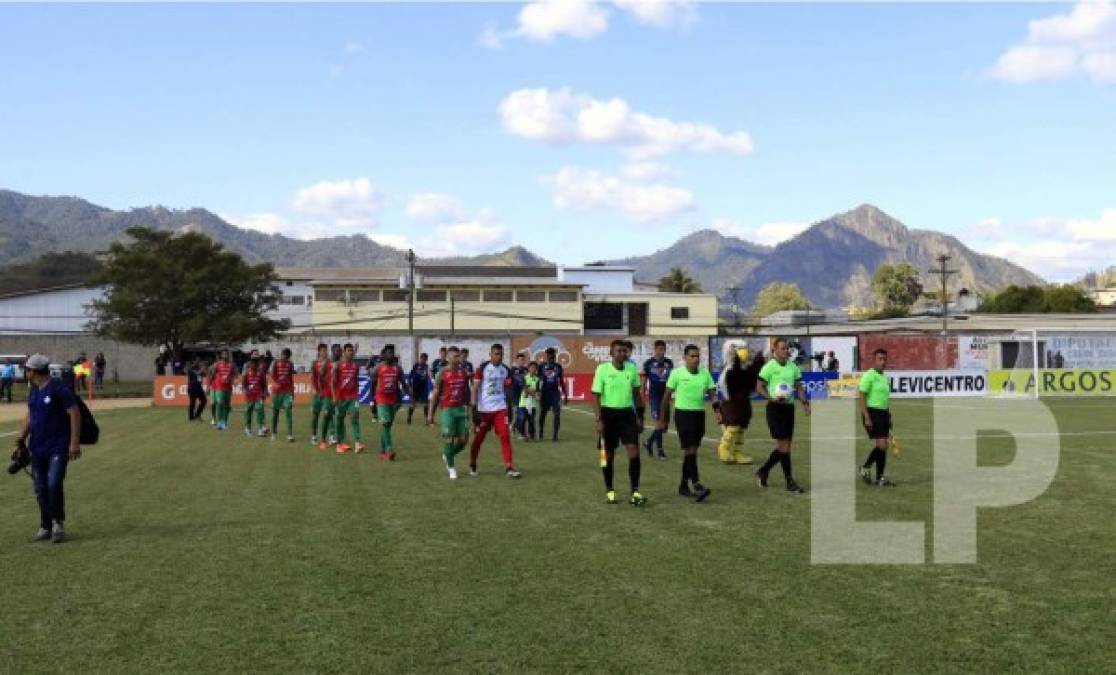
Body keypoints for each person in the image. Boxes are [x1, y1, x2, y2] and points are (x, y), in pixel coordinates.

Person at [16, 354, 81, 543]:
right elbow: (30, 415)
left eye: (27, 369)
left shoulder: (58, 389)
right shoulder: (34, 390)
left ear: (34, 371)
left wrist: (74, 442)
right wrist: (21, 438)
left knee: (53, 484)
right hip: (36, 447)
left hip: (58, 447)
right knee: (40, 487)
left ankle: (57, 523)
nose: (25, 372)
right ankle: (45, 526)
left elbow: (74, 413)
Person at [592, 340, 646, 506]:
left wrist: (640, 417)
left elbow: (637, 394)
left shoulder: (632, 369)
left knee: (634, 451)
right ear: (611, 353)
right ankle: (610, 490)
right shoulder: (602, 369)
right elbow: (596, 396)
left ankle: (635, 491)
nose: (622, 353)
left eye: (624, 351)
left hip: (627, 414)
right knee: (607, 455)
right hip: (608, 415)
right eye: (618, 351)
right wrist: (599, 419)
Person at [659, 345, 715, 502]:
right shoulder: (676, 374)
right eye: (692, 356)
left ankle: (683, 486)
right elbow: (666, 397)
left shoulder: (705, 373)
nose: (696, 359)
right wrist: (664, 419)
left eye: (697, 356)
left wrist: (718, 412)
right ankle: (697, 484)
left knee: (692, 451)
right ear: (684, 358)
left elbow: (713, 394)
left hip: (699, 415)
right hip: (683, 415)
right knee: (690, 449)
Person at [755, 338, 811, 494]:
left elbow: (799, 387)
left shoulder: (793, 367)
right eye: (782, 348)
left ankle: (763, 470)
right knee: (784, 447)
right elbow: (759, 387)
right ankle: (789, 481)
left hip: (788, 409)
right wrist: (770, 397)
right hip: (774, 409)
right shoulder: (769, 367)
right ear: (775, 350)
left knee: (784, 448)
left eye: (787, 349)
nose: (786, 351)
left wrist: (805, 403)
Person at [468, 344, 521, 478]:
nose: (499, 357)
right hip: (484, 411)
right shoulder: (482, 368)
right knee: (478, 439)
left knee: (505, 436)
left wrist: (508, 408)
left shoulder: (506, 370)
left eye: (501, 354)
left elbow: (508, 390)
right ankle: (473, 463)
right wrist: (474, 408)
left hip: (500, 409)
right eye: (496, 354)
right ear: (490, 354)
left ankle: (509, 467)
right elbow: (474, 388)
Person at [427, 346, 472, 480]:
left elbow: (466, 391)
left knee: (464, 440)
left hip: (460, 409)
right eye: (455, 356)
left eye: (458, 356)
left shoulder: (463, 372)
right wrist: (430, 414)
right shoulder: (442, 373)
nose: (458, 359)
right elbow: (435, 393)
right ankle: (452, 468)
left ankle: (448, 455)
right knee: (449, 439)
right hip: (447, 410)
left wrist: (469, 407)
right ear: (448, 358)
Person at [715, 349, 762, 465]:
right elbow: (725, 384)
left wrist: (758, 363)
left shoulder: (745, 370)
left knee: (741, 428)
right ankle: (724, 448)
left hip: (743, 403)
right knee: (734, 426)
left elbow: (751, 382)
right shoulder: (730, 371)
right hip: (733, 403)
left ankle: (737, 452)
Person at [858, 348, 896, 487]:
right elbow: (861, 396)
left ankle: (880, 478)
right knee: (882, 445)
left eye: (884, 359)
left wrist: (889, 415)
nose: (883, 362)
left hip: (883, 413)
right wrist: (866, 417)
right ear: (874, 360)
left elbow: (884, 398)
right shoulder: (869, 375)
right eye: (880, 359)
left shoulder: (885, 377)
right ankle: (866, 467)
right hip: (872, 413)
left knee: (883, 447)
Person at [641, 340, 674, 460]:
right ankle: (660, 451)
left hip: (665, 397)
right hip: (654, 397)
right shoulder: (648, 363)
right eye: (658, 349)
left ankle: (649, 442)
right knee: (659, 424)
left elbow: (671, 380)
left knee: (664, 427)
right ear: (654, 350)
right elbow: (643, 383)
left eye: (663, 349)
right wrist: (642, 397)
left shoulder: (669, 363)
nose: (661, 351)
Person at [331, 343, 364, 454]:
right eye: (348, 350)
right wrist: (335, 396)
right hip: (341, 398)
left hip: (352, 397)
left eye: (352, 350)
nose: (351, 352)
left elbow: (356, 381)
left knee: (355, 416)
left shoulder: (356, 366)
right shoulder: (338, 365)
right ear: (344, 352)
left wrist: (357, 395)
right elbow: (333, 382)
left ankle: (358, 442)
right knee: (340, 419)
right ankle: (339, 444)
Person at [372, 352, 405, 459]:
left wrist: (409, 397)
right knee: (386, 424)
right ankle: (389, 449)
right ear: (384, 357)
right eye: (388, 353)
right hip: (381, 399)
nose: (390, 355)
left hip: (393, 400)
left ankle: (382, 451)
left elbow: (402, 384)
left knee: (387, 426)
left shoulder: (398, 369)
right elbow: (372, 383)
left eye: (392, 353)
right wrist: (371, 400)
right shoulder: (378, 368)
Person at [537, 347, 567, 441]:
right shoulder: (541, 366)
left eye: (552, 354)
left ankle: (555, 435)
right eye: (548, 354)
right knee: (543, 414)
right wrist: (538, 391)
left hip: (555, 394)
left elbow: (561, 381)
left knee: (557, 414)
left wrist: (565, 394)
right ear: (546, 355)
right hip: (545, 393)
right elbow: (538, 380)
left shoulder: (558, 367)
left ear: (554, 355)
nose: (550, 355)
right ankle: (541, 431)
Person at [269, 348, 296, 442]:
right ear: (281, 355)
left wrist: (292, 392)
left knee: (288, 409)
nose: (284, 357)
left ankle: (289, 435)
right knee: (275, 413)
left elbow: (291, 378)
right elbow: (272, 375)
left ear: (289, 357)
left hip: (287, 392)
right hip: (277, 392)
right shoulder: (276, 363)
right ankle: (273, 433)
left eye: (286, 356)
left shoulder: (290, 364)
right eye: (283, 355)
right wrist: (276, 383)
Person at [311, 344, 335, 446]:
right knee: (315, 415)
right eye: (323, 350)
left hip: (327, 393)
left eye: (326, 350)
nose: (325, 352)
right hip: (318, 394)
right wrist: (315, 389)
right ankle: (314, 436)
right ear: (319, 352)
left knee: (328, 414)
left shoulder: (330, 363)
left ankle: (331, 436)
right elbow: (313, 378)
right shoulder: (315, 363)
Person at [242, 355, 267, 437]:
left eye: (256, 362)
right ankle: (247, 429)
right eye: (253, 362)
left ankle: (260, 430)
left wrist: (265, 392)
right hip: (249, 396)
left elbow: (264, 384)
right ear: (250, 363)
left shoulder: (261, 373)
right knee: (248, 412)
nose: (255, 364)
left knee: (259, 409)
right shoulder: (246, 373)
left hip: (258, 395)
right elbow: (244, 385)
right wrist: (245, 390)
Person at [210, 349, 236, 430]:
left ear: (228, 355)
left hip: (228, 388)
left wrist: (234, 380)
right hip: (219, 387)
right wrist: (209, 386)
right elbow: (213, 374)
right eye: (224, 354)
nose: (225, 356)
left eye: (226, 354)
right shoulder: (217, 364)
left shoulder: (232, 365)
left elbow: (234, 374)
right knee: (220, 403)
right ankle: (220, 422)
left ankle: (225, 421)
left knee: (227, 405)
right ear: (221, 355)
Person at [406, 353, 432, 425]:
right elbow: (410, 376)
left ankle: (427, 420)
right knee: (414, 404)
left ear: (426, 360)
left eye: (424, 359)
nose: (423, 360)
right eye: (422, 359)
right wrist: (410, 385)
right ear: (420, 359)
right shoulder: (416, 366)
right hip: (416, 387)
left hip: (423, 388)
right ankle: (409, 417)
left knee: (426, 404)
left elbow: (429, 375)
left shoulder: (427, 367)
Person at [509, 352, 528, 436]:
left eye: (523, 360)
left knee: (523, 413)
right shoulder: (512, 370)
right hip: (515, 393)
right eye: (520, 360)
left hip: (523, 394)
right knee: (516, 412)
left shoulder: (526, 370)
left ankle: (514, 427)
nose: (521, 361)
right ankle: (513, 427)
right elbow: (508, 380)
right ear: (516, 360)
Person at [186, 357, 208, 422]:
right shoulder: (190, 368)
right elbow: (197, 373)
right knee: (192, 403)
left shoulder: (199, 368)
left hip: (199, 388)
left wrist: (205, 369)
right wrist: (202, 369)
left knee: (204, 401)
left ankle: (197, 415)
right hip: (192, 388)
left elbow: (205, 375)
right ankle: (191, 418)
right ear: (194, 361)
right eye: (197, 361)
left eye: (199, 361)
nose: (198, 362)